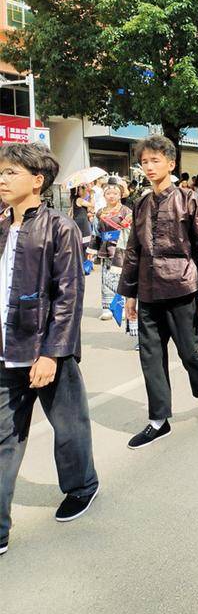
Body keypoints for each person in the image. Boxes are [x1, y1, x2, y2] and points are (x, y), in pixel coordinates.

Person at [0, 143, 99, 556]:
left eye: (10, 173)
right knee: (3, 436)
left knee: (68, 425)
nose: (2, 180)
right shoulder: (1, 225)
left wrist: (51, 353)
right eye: (1, 173)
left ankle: (81, 486)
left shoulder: (60, 227)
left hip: (44, 349)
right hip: (6, 349)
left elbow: (68, 295)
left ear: (37, 180)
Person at [117, 135, 198, 448]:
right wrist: (130, 294)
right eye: (144, 161)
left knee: (190, 352)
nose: (148, 166)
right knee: (150, 357)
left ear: (171, 164)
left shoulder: (189, 199)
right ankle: (158, 420)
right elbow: (133, 251)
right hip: (148, 292)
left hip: (181, 287)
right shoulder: (141, 204)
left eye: (155, 160)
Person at [94, 178, 133, 322]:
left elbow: (131, 231)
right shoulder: (100, 213)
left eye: (115, 193)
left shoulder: (127, 212)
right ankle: (107, 308)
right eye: (108, 193)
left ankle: (121, 307)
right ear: (104, 196)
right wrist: (92, 252)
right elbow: (96, 232)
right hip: (106, 248)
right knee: (106, 279)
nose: (111, 196)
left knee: (121, 278)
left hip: (121, 249)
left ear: (120, 195)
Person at [70, 182, 94, 253]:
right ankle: (84, 257)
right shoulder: (79, 200)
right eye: (82, 189)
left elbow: (89, 208)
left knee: (82, 240)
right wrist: (92, 194)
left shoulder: (76, 199)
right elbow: (92, 205)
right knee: (85, 240)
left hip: (80, 221)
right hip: (82, 223)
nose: (84, 190)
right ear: (77, 191)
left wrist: (89, 195)